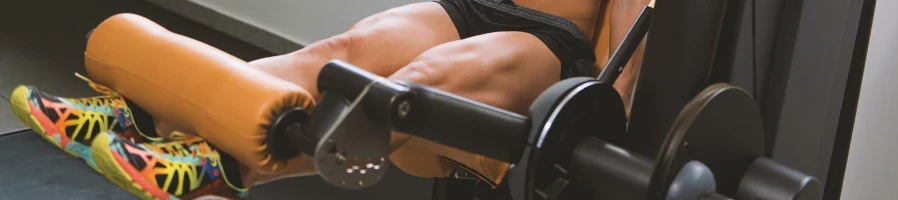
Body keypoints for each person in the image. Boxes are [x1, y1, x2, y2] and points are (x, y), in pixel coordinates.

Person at [8, 0, 649, 199]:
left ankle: (212, 168)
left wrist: (602, 116)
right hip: (472, 4)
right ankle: (137, 113)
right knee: (339, 52)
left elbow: (628, 45)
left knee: (413, 83)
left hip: (548, 42)